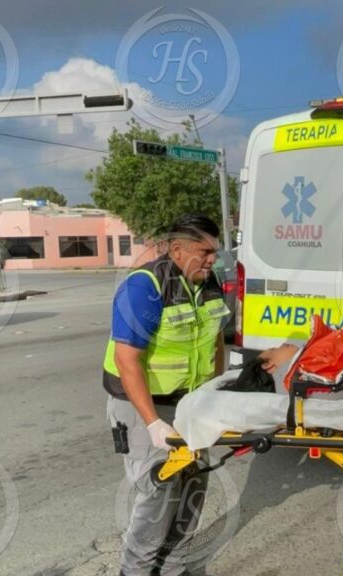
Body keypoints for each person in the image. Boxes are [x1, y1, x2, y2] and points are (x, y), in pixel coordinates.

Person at [103, 214, 229, 576]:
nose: (212, 260)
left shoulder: (208, 283)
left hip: (191, 405)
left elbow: (215, 341)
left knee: (193, 487)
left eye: (215, 252)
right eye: (205, 252)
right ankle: (136, 571)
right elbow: (127, 360)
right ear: (177, 250)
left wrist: (214, 395)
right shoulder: (145, 287)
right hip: (145, 406)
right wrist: (153, 423)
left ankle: (174, 569)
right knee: (158, 494)